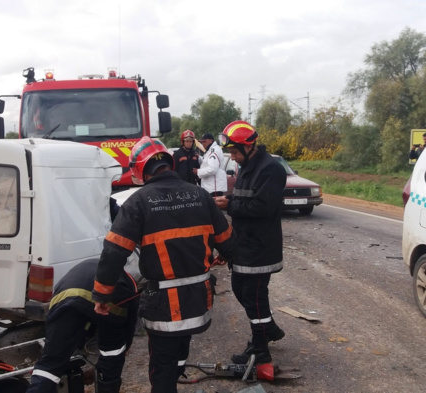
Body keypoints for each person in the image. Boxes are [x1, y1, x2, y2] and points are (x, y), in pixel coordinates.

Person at [92, 136, 237, 393]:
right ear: (169, 164)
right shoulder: (201, 195)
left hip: (164, 308)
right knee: (180, 348)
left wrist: (102, 295)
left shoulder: (138, 202)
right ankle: (176, 372)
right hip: (198, 301)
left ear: (139, 170)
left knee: (162, 368)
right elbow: (227, 241)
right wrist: (225, 254)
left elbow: (113, 253)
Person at [213, 121, 287, 365]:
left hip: (260, 247)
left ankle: (260, 348)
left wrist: (230, 205)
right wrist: (230, 199)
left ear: (248, 146)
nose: (232, 157)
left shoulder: (271, 169)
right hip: (243, 244)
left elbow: (263, 206)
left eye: (234, 152)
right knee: (239, 289)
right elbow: (247, 198)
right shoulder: (246, 165)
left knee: (254, 297)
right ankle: (269, 329)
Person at [27, 258, 139, 393]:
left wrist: (63, 348)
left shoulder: (86, 265)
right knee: (113, 353)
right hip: (107, 301)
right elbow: (129, 326)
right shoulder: (128, 281)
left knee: (49, 365)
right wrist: (120, 350)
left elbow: (66, 323)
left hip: (65, 297)